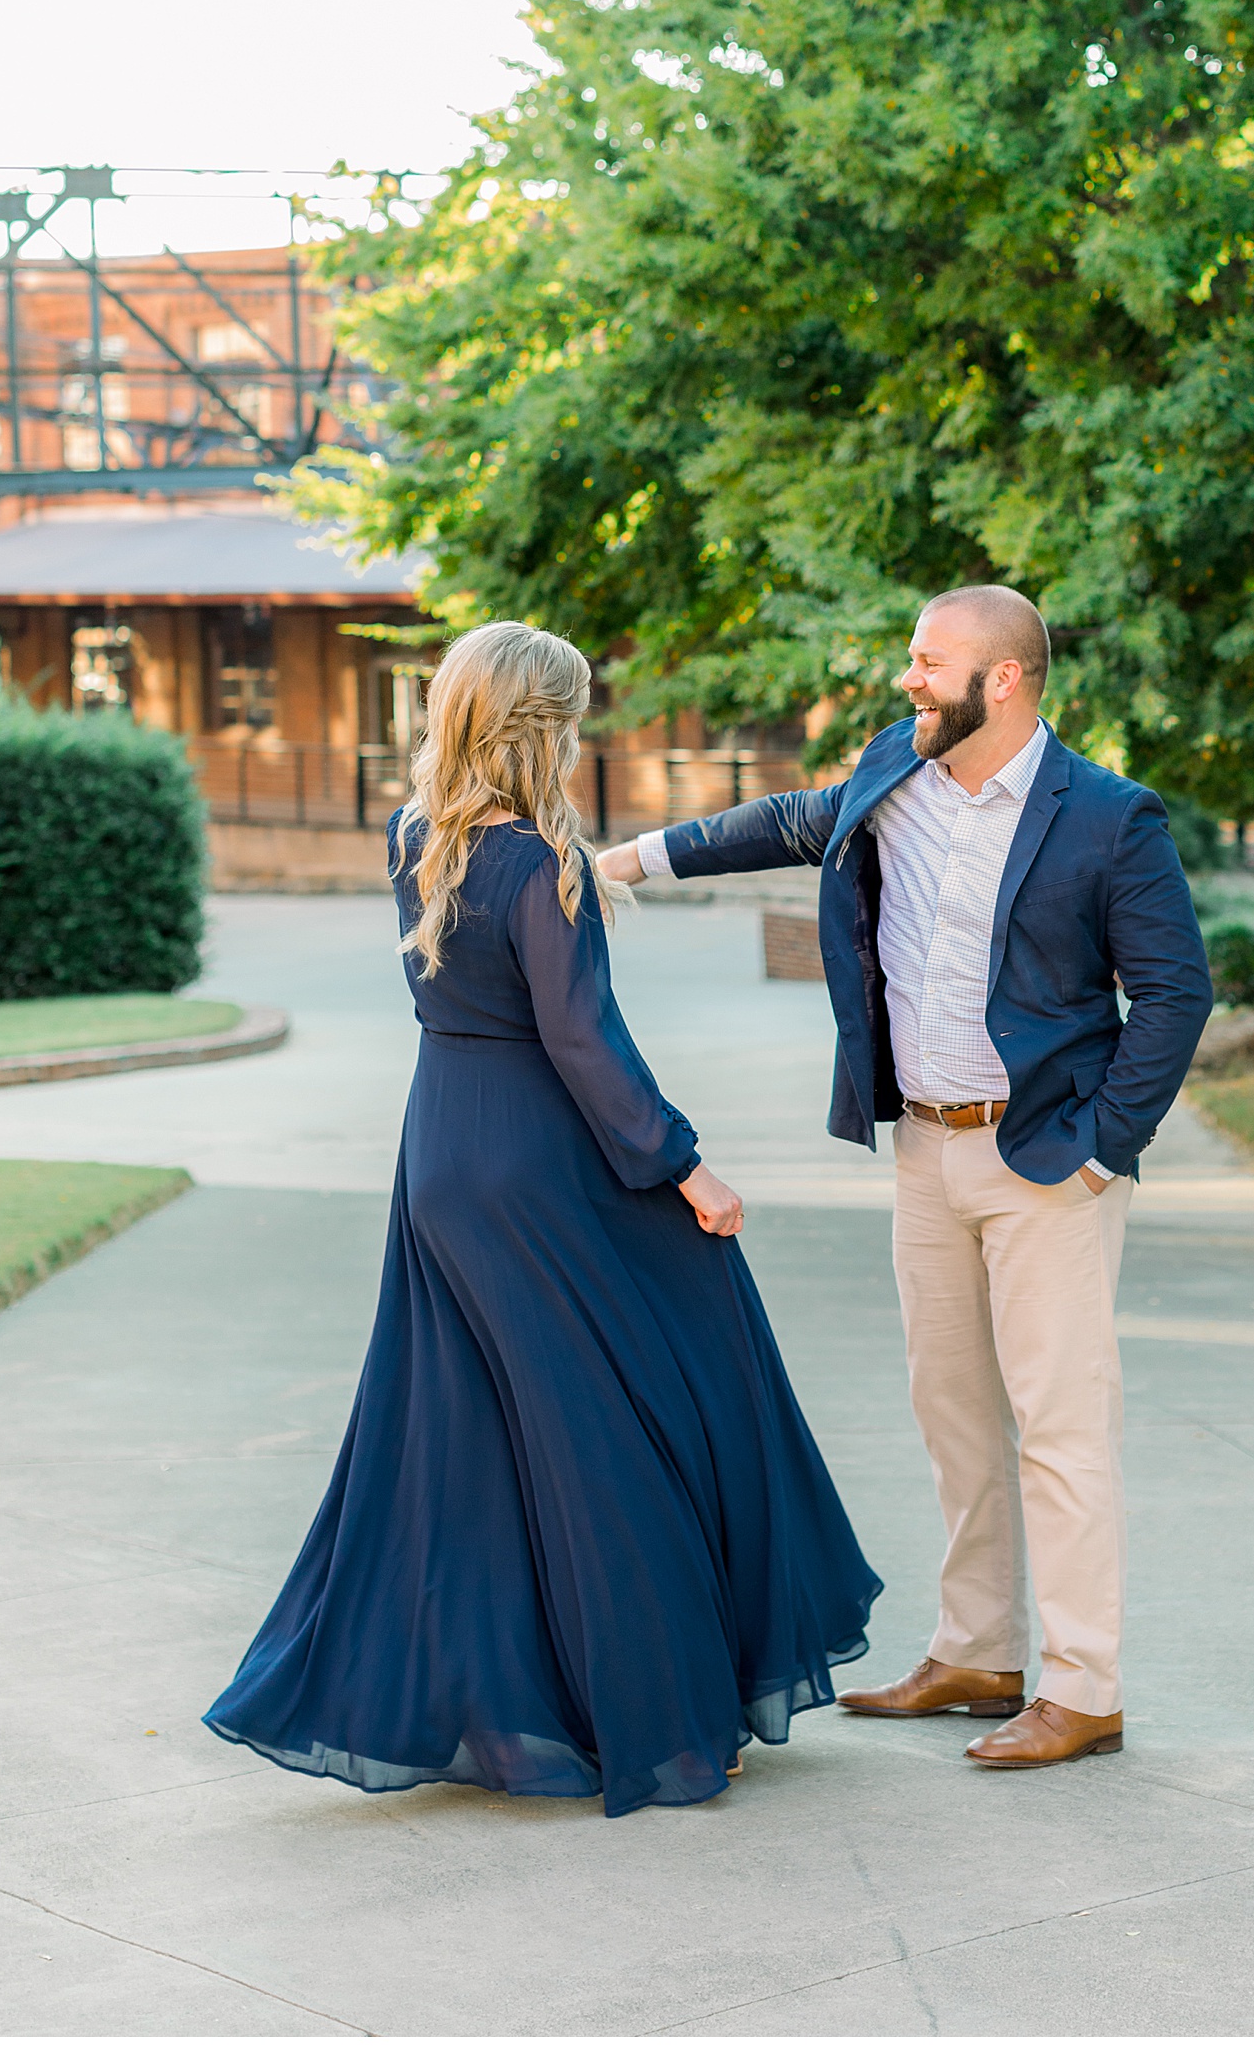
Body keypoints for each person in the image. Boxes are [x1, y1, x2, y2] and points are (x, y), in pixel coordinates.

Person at [205, 621, 881, 1820]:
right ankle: (663, 1716)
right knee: (630, 1411)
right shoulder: (541, 864)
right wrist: (684, 1164)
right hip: (535, 1158)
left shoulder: (415, 834)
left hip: (442, 1153)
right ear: (542, 728)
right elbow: (581, 1041)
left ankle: (525, 1710)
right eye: (573, 712)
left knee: (476, 1434)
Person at [600, 586, 1211, 1771]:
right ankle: (979, 1650)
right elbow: (788, 819)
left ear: (1007, 680)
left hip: (1045, 1163)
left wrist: (1100, 1148)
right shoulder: (898, 768)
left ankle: (1084, 1686)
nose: (908, 679)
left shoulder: (1109, 816)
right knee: (953, 1412)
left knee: (1061, 1425)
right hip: (926, 1151)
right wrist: (624, 860)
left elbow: (1175, 993)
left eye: (930, 662)